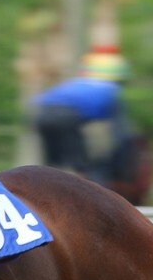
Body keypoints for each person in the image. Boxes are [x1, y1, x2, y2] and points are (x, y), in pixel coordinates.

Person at [32, 45, 136, 184]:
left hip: (42, 114)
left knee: (52, 165)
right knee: (83, 167)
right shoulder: (111, 91)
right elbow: (121, 134)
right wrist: (119, 166)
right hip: (67, 117)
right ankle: (92, 192)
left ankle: (44, 191)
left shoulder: (77, 83)